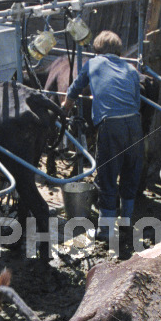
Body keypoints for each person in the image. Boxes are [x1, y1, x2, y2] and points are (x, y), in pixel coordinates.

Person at [60, 30, 143, 244]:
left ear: (97, 50)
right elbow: (136, 99)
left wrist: (65, 109)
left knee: (107, 175)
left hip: (111, 124)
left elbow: (74, 88)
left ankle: (106, 231)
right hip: (134, 123)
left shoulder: (92, 64)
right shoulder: (131, 69)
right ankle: (125, 222)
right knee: (129, 172)